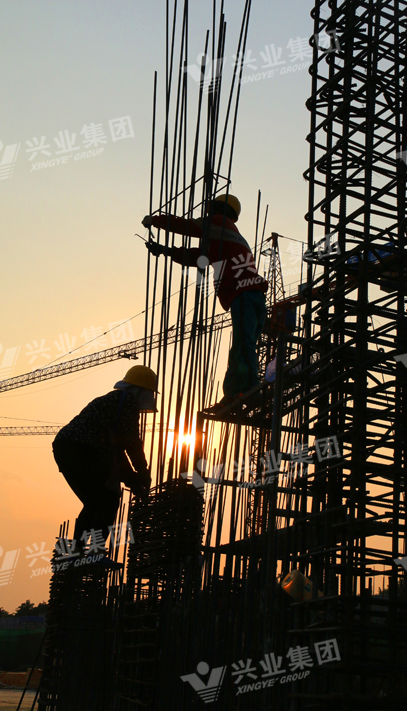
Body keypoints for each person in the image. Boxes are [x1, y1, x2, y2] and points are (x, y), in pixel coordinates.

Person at [142, 194, 268, 410]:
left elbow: (188, 226)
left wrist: (156, 220)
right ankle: (233, 393)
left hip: (244, 293)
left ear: (219, 208)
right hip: (252, 296)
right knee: (241, 347)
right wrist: (165, 250)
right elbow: (197, 258)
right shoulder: (226, 237)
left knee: (243, 345)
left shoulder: (219, 223)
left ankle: (250, 389)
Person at [52, 365, 156, 557]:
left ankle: (76, 550)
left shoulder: (110, 403)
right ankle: (96, 552)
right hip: (86, 448)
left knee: (94, 501)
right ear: (142, 391)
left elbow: (117, 455)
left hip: (64, 447)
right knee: (108, 498)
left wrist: (133, 480)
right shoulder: (127, 402)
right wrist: (142, 473)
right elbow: (131, 443)